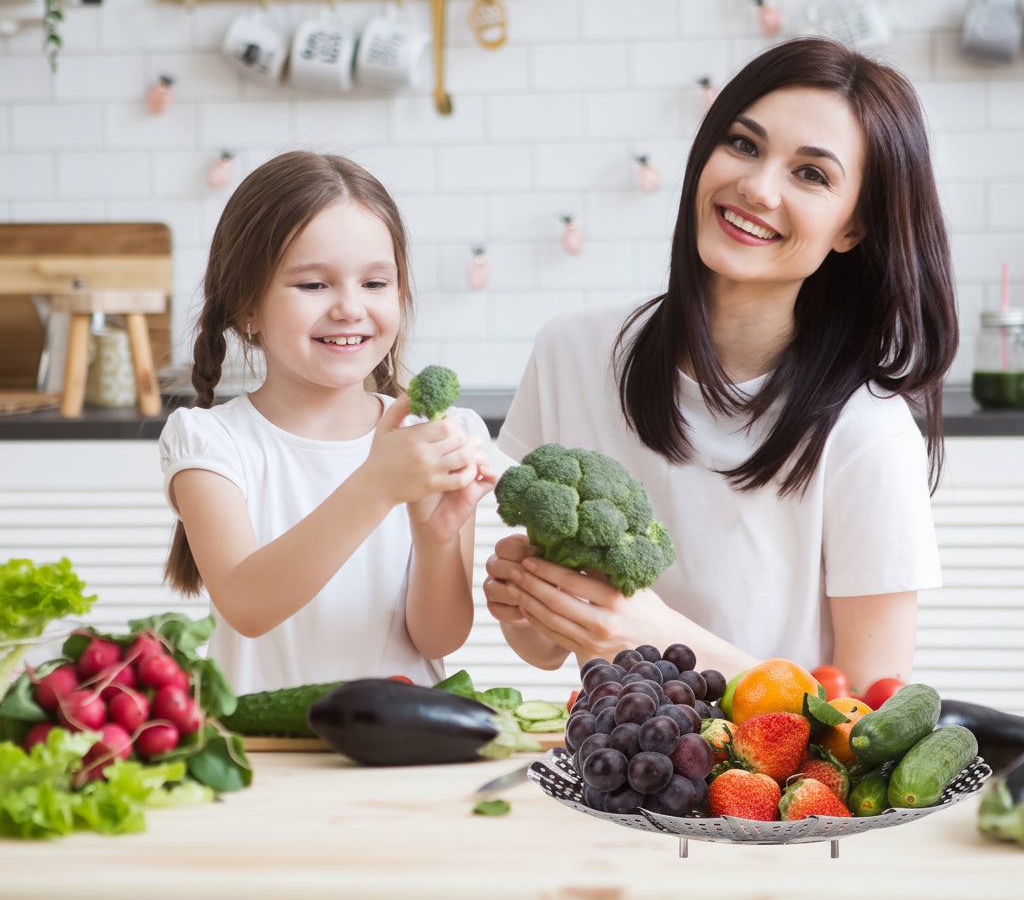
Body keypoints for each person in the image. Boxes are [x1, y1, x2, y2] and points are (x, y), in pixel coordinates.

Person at [482, 36, 959, 694]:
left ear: (853, 228)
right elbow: (539, 648)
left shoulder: (866, 432)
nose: (758, 187)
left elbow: (868, 728)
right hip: (608, 776)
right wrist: (532, 600)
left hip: (769, 794)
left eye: (811, 174)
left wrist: (652, 635)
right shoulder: (572, 353)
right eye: (743, 144)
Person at [160, 151, 497, 694]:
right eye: (314, 285)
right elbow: (247, 605)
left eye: (374, 283)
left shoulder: (439, 436)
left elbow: (438, 639)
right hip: (262, 759)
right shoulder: (210, 443)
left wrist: (435, 541)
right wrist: (376, 486)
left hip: (404, 750)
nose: (349, 308)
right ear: (248, 305)